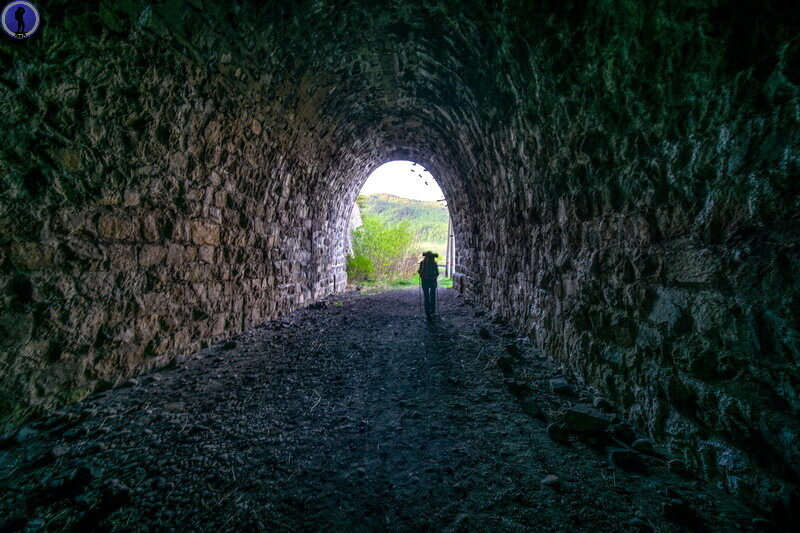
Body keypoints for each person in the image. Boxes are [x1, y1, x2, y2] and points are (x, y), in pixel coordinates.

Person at [418, 251, 439, 319]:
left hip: (425, 282)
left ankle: (428, 313)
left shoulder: (422, 263)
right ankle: (432, 311)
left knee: (426, 297)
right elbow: (437, 273)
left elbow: (420, 271)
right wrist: (434, 277)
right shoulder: (434, 263)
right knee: (432, 296)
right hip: (432, 282)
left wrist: (421, 273)